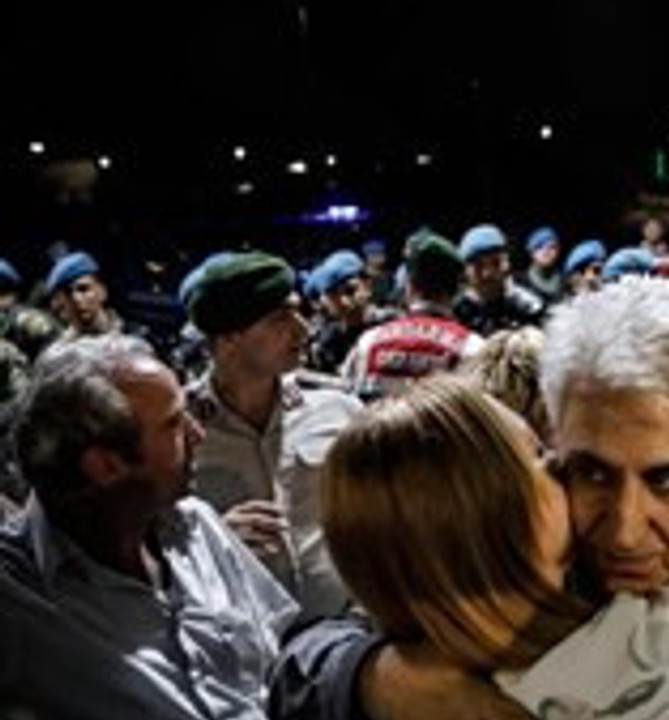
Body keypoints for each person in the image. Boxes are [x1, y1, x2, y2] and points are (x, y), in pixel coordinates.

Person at [269, 278, 669, 720]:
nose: (624, 530)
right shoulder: (499, 571)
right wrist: (382, 682)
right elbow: (300, 665)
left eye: (667, 481)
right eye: (591, 473)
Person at [0, 335, 297, 719]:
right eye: (173, 424)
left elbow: (279, 661)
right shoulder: (16, 603)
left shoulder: (197, 524)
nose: (198, 434)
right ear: (105, 465)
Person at [184, 251, 362, 621]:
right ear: (228, 335)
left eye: (299, 313)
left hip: (343, 631)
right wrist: (213, 541)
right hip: (238, 638)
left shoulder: (338, 409)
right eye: (281, 318)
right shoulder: (178, 429)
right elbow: (151, 544)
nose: (304, 330)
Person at [342, 229, 484, 401]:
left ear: (408, 286)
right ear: (457, 291)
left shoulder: (369, 343)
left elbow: (348, 402)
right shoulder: (472, 349)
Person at [453, 224, 545, 336]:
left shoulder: (530, 308)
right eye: (478, 266)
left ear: (507, 264)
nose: (487, 273)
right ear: (465, 270)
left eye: (496, 263)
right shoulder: (456, 310)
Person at [518, 226, 564, 305]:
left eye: (552, 247)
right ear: (531, 253)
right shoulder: (519, 282)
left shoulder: (566, 283)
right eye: (539, 247)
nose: (546, 252)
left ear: (558, 251)